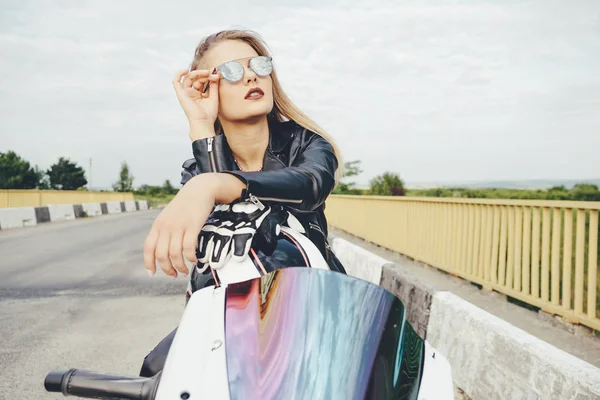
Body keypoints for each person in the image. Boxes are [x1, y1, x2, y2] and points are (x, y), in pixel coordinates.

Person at [139, 29, 346, 377]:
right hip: (233, 313)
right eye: (232, 71)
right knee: (156, 372)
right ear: (208, 88)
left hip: (314, 301)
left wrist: (219, 183)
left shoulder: (307, 143)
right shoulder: (198, 173)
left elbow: (312, 184)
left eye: (259, 65)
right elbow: (226, 231)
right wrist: (201, 126)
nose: (251, 75)